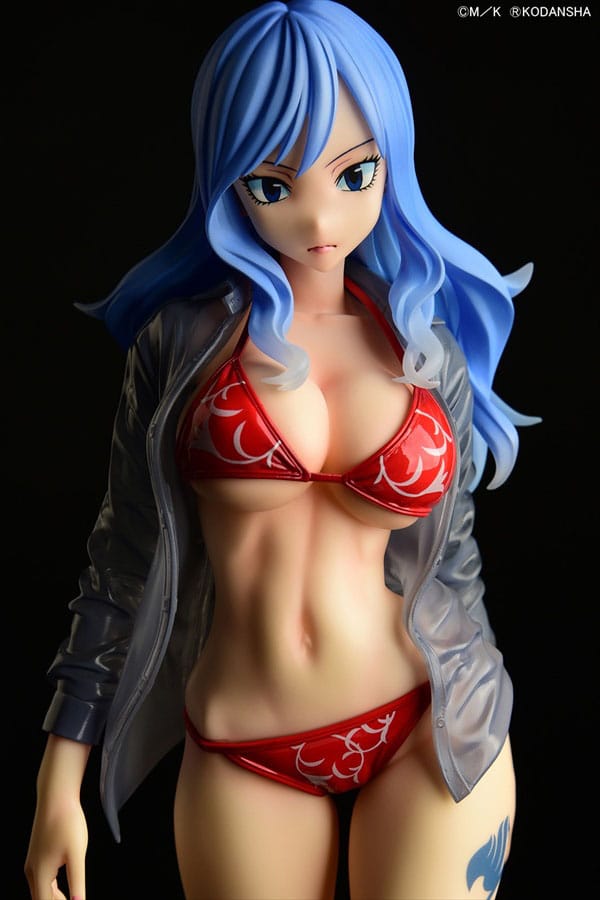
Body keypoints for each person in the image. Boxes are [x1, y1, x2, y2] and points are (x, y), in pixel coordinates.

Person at [25, 2, 539, 898]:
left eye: (355, 172)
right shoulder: (180, 346)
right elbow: (121, 564)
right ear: (227, 177)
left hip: (429, 726)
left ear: (393, 159)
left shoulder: (426, 349)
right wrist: (57, 778)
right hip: (245, 744)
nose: (319, 216)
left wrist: (481, 701)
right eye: (273, 184)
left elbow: (453, 567)